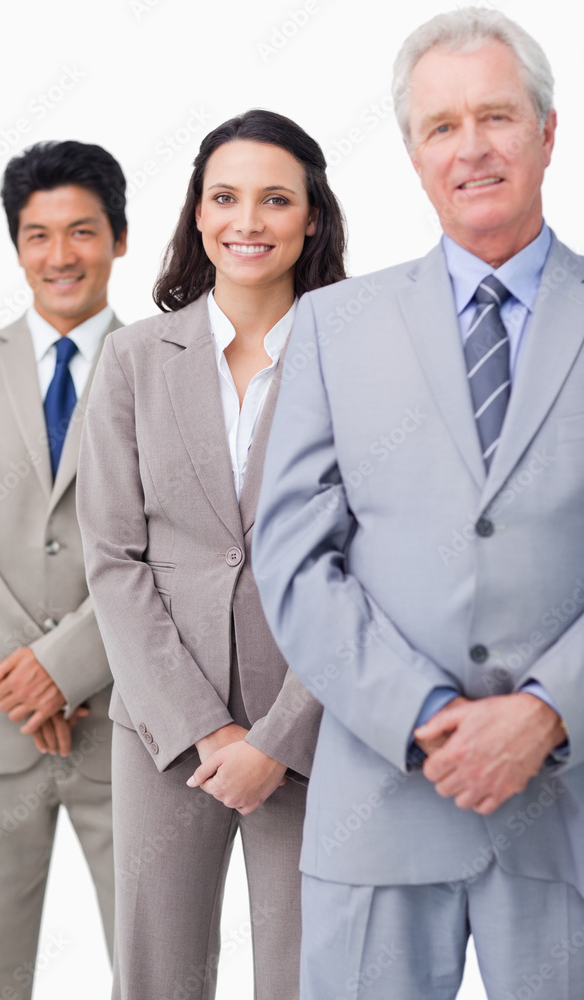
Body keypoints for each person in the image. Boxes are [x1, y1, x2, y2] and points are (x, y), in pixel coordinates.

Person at [253, 10, 584, 1000]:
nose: (471, 147)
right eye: (442, 126)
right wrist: (426, 715)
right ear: (412, 155)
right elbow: (294, 560)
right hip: (382, 810)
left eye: (496, 116)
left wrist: (548, 710)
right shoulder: (332, 326)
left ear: (547, 133)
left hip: (567, 811)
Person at [76, 109, 346, 999]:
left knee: (306, 978)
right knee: (157, 978)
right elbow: (113, 557)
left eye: (276, 199)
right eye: (225, 198)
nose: (247, 221)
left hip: (308, 727)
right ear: (197, 213)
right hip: (162, 729)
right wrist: (205, 726)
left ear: (312, 216)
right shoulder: (132, 359)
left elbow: (370, 565)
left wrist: (277, 736)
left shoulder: (356, 357)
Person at [0, 140, 127, 999]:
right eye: (38, 235)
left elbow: (176, 545)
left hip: (129, 720)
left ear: (118, 239)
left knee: (159, 969)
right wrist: (28, 673)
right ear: (16, 247)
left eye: (82, 231)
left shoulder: (168, 371)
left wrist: (66, 668)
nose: (60, 255)